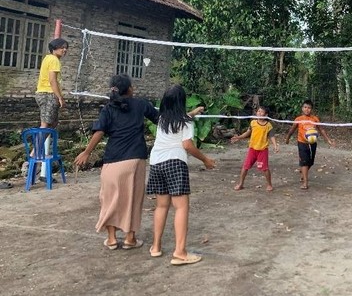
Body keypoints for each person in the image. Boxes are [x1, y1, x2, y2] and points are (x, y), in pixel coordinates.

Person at [74, 74, 159, 250]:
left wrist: (86, 152)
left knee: (109, 199)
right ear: (130, 89)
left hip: (112, 161)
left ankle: (112, 239)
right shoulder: (141, 104)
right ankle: (130, 238)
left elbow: (99, 132)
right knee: (132, 199)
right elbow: (162, 119)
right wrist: (187, 115)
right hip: (135, 160)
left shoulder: (108, 109)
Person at [146, 84, 215, 266]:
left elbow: (184, 118)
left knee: (161, 206)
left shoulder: (162, 120)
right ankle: (180, 252)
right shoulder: (185, 122)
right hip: (175, 163)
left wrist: (195, 111)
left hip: (156, 163)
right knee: (181, 207)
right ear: (181, 103)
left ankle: (155, 246)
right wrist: (206, 160)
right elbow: (187, 145)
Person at [33, 38, 68, 183]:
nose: (64, 50)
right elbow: (52, 79)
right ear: (54, 48)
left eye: (66, 48)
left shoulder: (48, 58)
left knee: (51, 125)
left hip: (43, 94)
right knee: (45, 126)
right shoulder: (53, 59)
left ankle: (36, 160)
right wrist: (59, 97)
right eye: (62, 47)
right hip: (48, 95)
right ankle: (32, 160)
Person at [284, 99, 335, 190]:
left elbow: (321, 129)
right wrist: (287, 138)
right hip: (302, 143)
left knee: (310, 162)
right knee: (304, 162)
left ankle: (304, 171)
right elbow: (292, 129)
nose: (307, 109)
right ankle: (305, 183)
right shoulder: (298, 119)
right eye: (305, 107)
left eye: (309, 108)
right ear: (302, 108)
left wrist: (328, 140)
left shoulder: (314, 119)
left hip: (312, 143)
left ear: (311, 109)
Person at [231, 105, 279, 191]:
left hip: (262, 150)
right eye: (258, 111)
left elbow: (272, 136)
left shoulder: (268, 125)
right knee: (245, 167)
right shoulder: (253, 123)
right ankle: (240, 184)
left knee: (265, 168)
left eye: (261, 112)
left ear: (266, 115)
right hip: (252, 149)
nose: (259, 113)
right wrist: (238, 137)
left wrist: (275, 145)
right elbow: (247, 133)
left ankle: (269, 184)